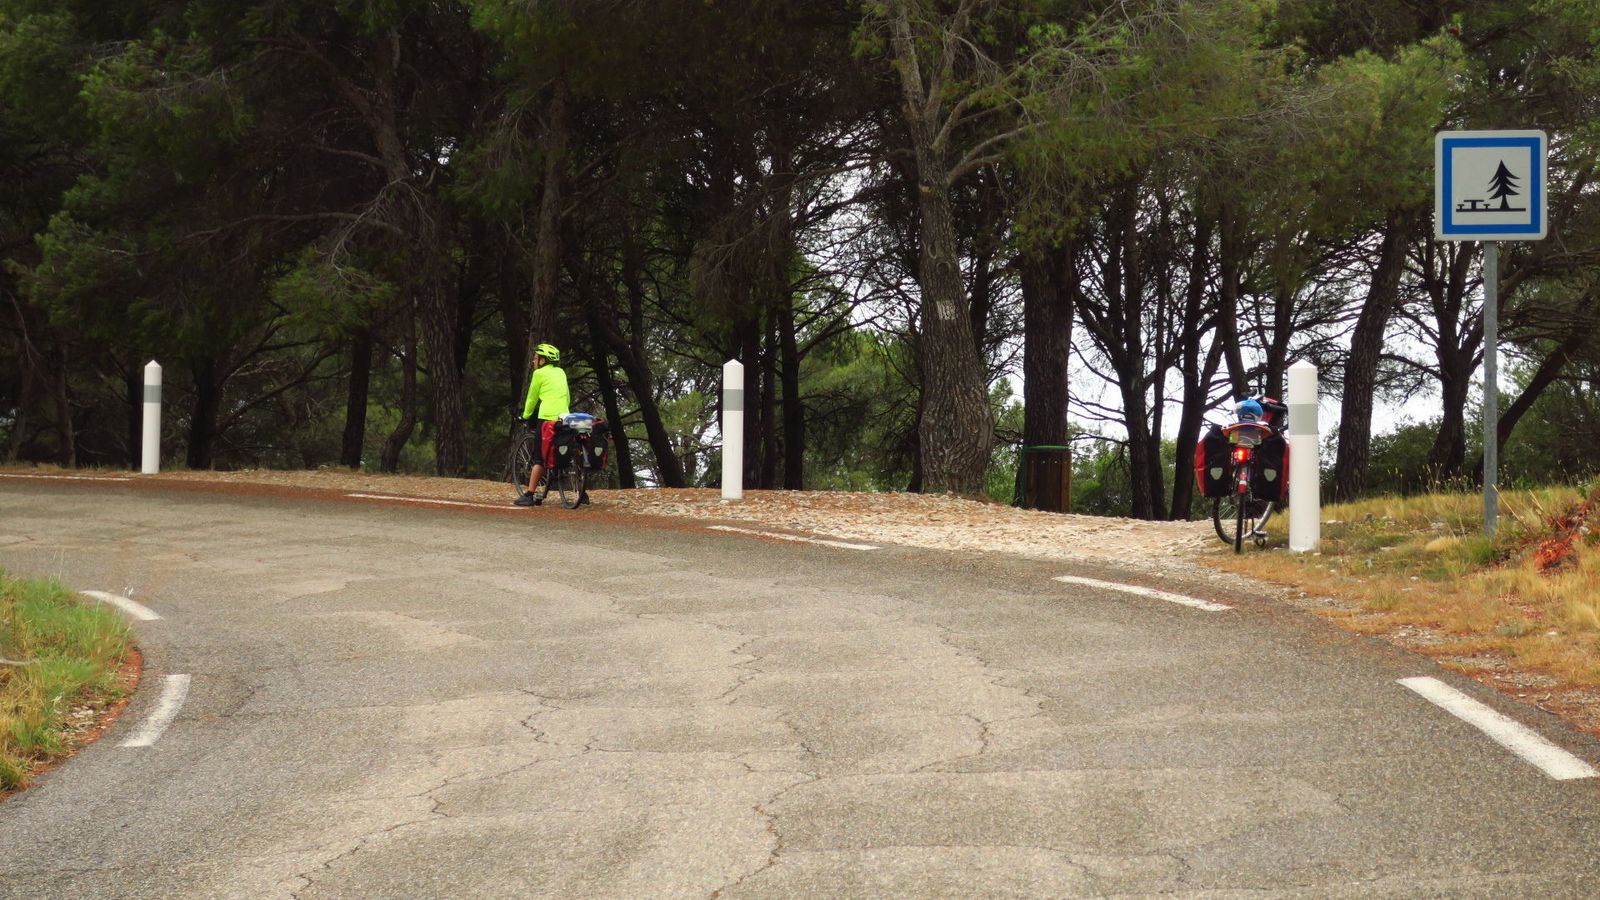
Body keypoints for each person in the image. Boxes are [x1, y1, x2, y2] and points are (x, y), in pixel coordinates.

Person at [514, 343, 570, 507]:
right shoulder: (561, 372)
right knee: (564, 447)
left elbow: (532, 398)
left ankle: (529, 494)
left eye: (536, 358)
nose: (533, 360)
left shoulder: (539, 373)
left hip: (546, 418)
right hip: (564, 417)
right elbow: (567, 396)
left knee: (539, 457)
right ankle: (581, 492)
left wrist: (525, 415)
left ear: (543, 360)